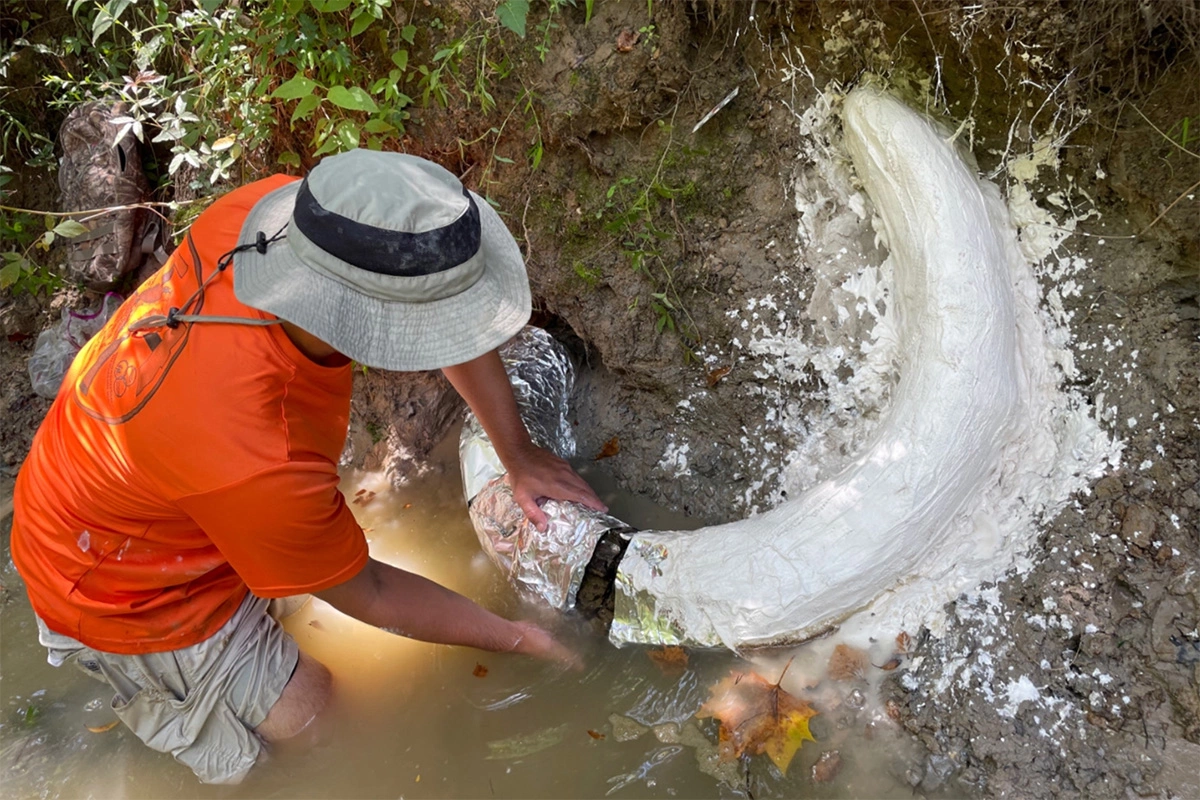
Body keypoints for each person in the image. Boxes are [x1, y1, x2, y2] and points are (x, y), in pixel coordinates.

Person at [11, 149, 606, 784]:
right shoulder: (259, 451)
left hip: (143, 485)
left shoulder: (284, 220)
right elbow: (368, 591)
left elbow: (434, 314)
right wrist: (519, 638)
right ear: (374, 321)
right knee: (317, 724)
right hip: (116, 584)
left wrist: (517, 455)